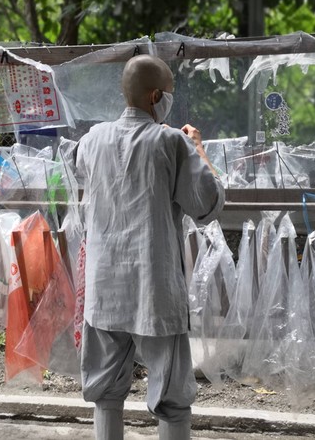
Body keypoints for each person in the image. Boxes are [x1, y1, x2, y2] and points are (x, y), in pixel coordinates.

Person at [75, 54, 225, 440]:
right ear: (157, 95)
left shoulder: (91, 140)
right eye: (169, 94)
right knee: (173, 399)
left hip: (105, 287)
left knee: (106, 392)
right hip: (153, 288)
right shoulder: (171, 141)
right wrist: (198, 150)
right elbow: (206, 204)